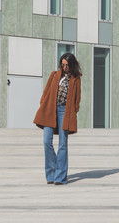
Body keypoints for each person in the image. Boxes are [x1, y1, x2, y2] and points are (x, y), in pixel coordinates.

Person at [33, 53, 81, 185]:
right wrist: (43, 103)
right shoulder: (54, 75)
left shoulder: (76, 78)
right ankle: (51, 173)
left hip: (64, 112)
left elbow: (77, 99)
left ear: (71, 65)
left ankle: (60, 177)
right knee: (46, 141)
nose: (64, 67)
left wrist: (73, 112)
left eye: (67, 65)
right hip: (50, 110)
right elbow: (46, 91)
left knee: (62, 144)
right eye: (63, 64)